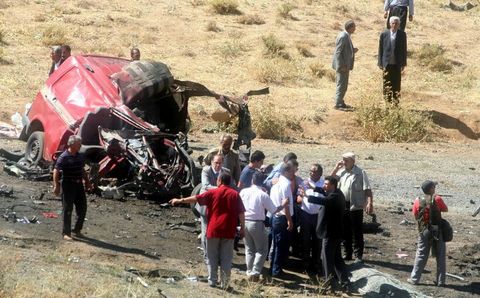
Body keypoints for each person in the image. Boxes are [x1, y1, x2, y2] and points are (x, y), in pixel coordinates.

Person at [169, 172, 245, 288]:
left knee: (212, 256)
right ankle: (225, 283)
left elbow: (196, 198)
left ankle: (212, 281)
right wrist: (243, 228)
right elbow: (241, 213)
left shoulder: (213, 192)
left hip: (213, 229)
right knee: (226, 258)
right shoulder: (235, 195)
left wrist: (179, 200)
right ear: (229, 182)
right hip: (229, 231)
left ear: (219, 181)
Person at [240, 172, 289, 281]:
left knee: (249, 249)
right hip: (256, 223)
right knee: (261, 249)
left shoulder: (244, 191)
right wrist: (284, 204)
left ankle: (249, 271)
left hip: (244, 221)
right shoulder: (263, 194)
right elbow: (274, 210)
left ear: (252, 180)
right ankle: (255, 272)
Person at [308, 176, 350, 292]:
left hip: (330, 234)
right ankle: (345, 283)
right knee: (337, 259)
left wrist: (306, 196)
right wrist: (315, 188)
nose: (324, 186)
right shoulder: (337, 193)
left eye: (326, 184)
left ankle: (329, 284)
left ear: (333, 185)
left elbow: (324, 200)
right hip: (336, 234)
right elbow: (325, 193)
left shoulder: (334, 197)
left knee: (326, 259)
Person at [332, 152, 373, 263]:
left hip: (355, 206)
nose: (344, 162)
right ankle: (347, 253)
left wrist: (370, 203)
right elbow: (330, 181)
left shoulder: (360, 173)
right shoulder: (341, 172)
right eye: (343, 160)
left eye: (346, 160)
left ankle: (358, 255)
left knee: (357, 231)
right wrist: (336, 168)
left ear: (353, 161)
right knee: (345, 231)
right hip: (343, 204)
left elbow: (368, 189)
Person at [408, 180, 448, 286]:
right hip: (437, 231)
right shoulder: (437, 198)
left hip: (424, 231)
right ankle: (441, 281)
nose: (435, 188)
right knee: (440, 256)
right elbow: (445, 209)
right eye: (433, 187)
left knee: (421, 254)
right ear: (431, 189)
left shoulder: (417, 200)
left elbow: (416, 215)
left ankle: (414, 279)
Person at [53, 135, 92, 241]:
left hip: (79, 185)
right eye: (79, 143)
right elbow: (56, 170)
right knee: (68, 209)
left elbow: (82, 170)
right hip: (68, 185)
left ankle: (77, 230)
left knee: (82, 208)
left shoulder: (80, 156)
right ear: (72, 144)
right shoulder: (64, 157)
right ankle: (66, 233)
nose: (80, 145)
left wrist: (87, 182)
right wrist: (56, 185)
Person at [197, 154, 233, 262]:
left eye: (220, 163)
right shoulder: (206, 170)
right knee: (205, 231)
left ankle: (215, 255)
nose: (218, 165)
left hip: (219, 206)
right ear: (211, 162)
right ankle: (207, 256)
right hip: (206, 205)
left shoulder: (226, 171)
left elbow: (231, 185)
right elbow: (206, 186)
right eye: (216, 163)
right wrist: (221, 189)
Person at [296, 163, 324, 272]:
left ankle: (316, 263)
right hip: (306, 215)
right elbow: (298, 199)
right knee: (305, 240)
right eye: (310, 171)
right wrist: (301, 196)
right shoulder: (304, 182)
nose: (311, 173)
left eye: (314, 171)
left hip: (318, 215)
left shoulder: (323, 184)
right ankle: (305, 263)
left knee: (317, 240)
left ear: (320, 174)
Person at [269, 162, 295, 277]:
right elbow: (286, 205)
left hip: (275, 216)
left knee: (276, 244)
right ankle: (276, 270)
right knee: (280, 245)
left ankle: (273, 268)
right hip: (282, 218)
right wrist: (290, 220)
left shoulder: (277, 182)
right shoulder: (286, 185)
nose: (293, 173)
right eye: (292, 171)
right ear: (286, 172)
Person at [378, 16, 407, 104]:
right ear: (390, 24)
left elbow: (404, 49)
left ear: (399, 24)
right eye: (393, 23)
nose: (394, 25)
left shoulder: (402, 34)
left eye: (396, 23)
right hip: (386, 63)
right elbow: (380, 49)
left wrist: (403, 63)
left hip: (397, 64)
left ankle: (395, 102)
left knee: (396, 83)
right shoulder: (384, 34)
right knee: (386, 83)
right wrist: (380, 62)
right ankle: (387, 102)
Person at [332, 20, 358, 110]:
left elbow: (343, 50)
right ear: (350, 27)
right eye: (354, 27)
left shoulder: (346, 35)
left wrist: (352, 50)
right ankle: (337, 104)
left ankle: (340, 101)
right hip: (342, 66)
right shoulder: (343, 36)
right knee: (341, 84)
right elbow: (338, 52)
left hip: (345, 65)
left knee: (343, 84)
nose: (355, 29)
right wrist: (341, 65)